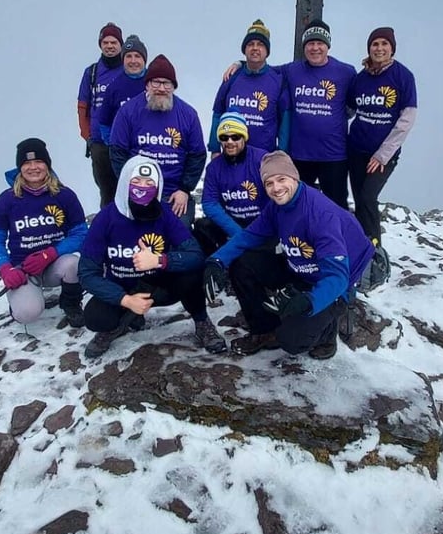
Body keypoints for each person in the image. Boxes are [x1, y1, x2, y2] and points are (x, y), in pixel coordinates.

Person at [204, 151, 374, 358]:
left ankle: (327, 332)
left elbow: (338, 277)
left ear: (294, 177)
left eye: (281, 179)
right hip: (301, 267)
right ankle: (264, 330)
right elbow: (249, 236)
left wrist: (309, 301)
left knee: (292, 341)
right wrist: (217, 260)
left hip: (334, 281)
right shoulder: (277, 206)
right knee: (243, 264)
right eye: (269, 183)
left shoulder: (320, 215)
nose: (276, 188)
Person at [79, 155, 226, 359]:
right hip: (123, 287)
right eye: (136, 181)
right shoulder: (106, 218)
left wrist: (160, 260)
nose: (142, 187)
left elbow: (194, 254)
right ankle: (124, 320)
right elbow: (87, 273)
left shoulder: (164, 213)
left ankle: (202, 322)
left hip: (158, 285)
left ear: (158, 187)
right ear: (125, 182)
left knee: (191, 273)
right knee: (96, 317)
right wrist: (125, 300)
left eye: (149, 183)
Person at [0, 138, 88, 327]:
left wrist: (51, 253)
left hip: (55, 263)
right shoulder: (7, 199)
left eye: (39, 161)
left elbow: (81, 234)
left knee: (74, 264)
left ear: (47, 165)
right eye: (27, 163)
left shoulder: (64, 195)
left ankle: (71, 304)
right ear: (20, 168)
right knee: (27, 314)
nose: (33, 167)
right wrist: (6, 269)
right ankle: (21, 299)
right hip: (23, 269)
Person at [109, 55, 207, 229]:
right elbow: (117, 152)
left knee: (180, 234)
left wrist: (184, 189)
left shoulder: (188, 115)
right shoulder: (128, 111)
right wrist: (132, 187)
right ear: (147, 84)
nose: (161, 88)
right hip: (138, 191)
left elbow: (197, 155)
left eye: (166, 83)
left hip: (173, 194)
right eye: (156, 82)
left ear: (173, 87)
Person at [347, 27, 417, 246]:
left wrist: (382, 155)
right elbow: (349, 109)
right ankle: (360, 249)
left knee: (368, 198)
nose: (379, 48)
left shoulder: (403, 76)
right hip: (356, 150)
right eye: (375, 44)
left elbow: (407, 119)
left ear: (392, 48)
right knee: (359, 201)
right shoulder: (361, 78)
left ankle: (376, 250)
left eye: (384, 44)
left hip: (382, 155)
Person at [282, 20, 355, 208]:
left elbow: (357, 101)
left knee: (336, 208)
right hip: (299, 155)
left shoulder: (346, 72)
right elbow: (264, 71)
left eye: (320, 43)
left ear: (328, 45)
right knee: (298, 206)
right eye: (310, 43)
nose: (315, 48)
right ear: (304, 46)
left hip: (334, 155)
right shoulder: (292, 70)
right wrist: (240, 63)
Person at [209, 19, 289, 154]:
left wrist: (281, 152)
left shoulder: (278, 80)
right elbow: (218, 113)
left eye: (260, 44)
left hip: (263, 157)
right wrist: (214, 149)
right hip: (232, 156)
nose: (255, 48)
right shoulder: (232, 76)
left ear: (267, 51)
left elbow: (285, 120)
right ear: (244, 50)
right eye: (250, 44)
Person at [194, 112, 269, 257]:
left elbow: (274, 197)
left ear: (244, 137)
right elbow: (209, 203)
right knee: (202, 226)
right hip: (231, 224)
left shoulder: (262, 159)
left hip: (261, 223)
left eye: (235, 137)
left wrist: (257, 230)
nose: (229, 142)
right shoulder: (214, 167)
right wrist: (237, 233)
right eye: (224, 137)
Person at [77, 22, 124, 208]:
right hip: (99, 144)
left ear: (120, 44)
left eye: (114, 42)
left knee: (131, 189)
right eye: (105, 42)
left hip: (125, 141)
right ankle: (108, 225)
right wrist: (88, 136)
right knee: (106, 193)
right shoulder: (91, 73)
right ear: (100, 45)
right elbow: (82, 107)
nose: (110, 46)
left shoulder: (128, 69)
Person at [98, 35, 148, 144]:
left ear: (144, 59)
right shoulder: (113, 88)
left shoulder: (156, 83)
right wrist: (114, 145)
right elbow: (104, 123)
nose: (133, 61)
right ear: (123, 60)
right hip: (123, 149)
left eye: (137, 56)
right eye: (128, 56)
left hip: (152, 147)